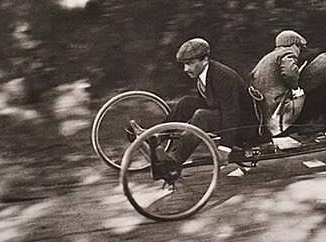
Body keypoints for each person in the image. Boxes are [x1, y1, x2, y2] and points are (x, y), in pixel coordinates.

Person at [129, 38, 257, 175]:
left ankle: (175, 159)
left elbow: (232, 112)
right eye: (184, 64)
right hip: (225, 115)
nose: (186, 69)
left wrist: (225, 148)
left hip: (244, 126)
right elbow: (212, 103)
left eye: (190, 64)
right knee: (186, 103)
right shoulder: (204, 74)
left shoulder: (222, 76)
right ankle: (154, 138)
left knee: (201, 116)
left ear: (205, 60)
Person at [249, 30, 307, 136]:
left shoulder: (269, 56)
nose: (299, 51)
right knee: (312, 97)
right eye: (300, 47)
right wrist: (295, 88)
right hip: (278, 104)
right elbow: (289, 73)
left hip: (264, 106)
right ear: (294, 45)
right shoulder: (288, 53)